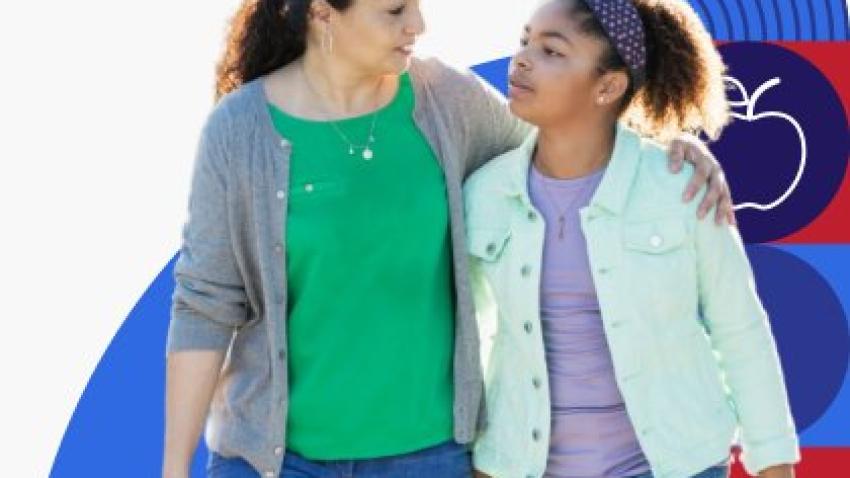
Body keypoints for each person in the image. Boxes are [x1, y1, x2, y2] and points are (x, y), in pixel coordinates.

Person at [162, 1, 735, 477]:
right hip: (275, 461)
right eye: (393, 10)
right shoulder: (239, 131)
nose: (418, 24)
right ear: (322, 13)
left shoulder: (446, 101)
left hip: (429, 457)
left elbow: (565, 152)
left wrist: (672, 156)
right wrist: (172, 469)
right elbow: (206, 302)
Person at [464, 1, 799, 477]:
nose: (522, 59)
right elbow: (467, 335)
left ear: (608, 86)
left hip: (676, 464)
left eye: (551, 51)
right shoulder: (484, 193)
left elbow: (739, 328)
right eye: (524, 42)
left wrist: (774, 463)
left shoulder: (682, 186)